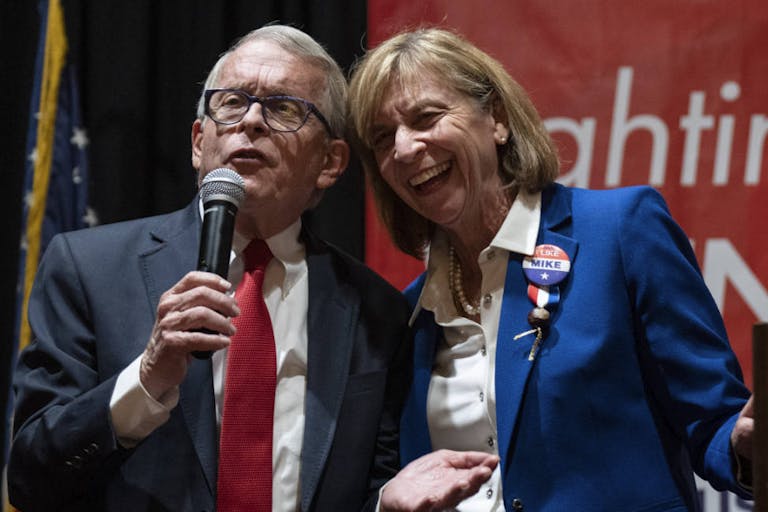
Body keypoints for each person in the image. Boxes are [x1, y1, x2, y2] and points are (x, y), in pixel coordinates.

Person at [10, 24, 427, 512]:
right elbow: (31, 479)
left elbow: (376, 485)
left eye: (284, 108)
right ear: (197, 141)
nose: (250, 121)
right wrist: (145, 381)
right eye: (231, 103)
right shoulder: (87, 269)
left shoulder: (376, 310)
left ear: (330, 162)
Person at [348, 27, 755, 511]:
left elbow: (714, 423)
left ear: (496, 119)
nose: (404, 148)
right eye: (381, 138)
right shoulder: (409, 315)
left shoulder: (620, 232)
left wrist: (747, 445)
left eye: (427, 117)